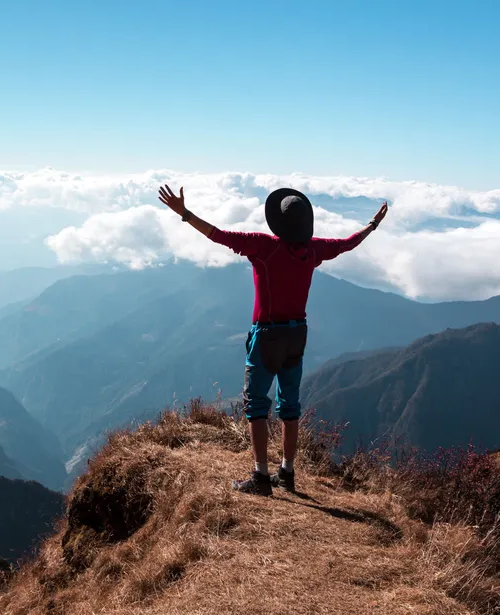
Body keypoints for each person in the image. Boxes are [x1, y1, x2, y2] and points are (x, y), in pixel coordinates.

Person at [157, 185, 388, 496]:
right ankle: (287, 472)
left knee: (255, 404)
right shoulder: (314, 249)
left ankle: (261, 477)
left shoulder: (263, 247)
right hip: (298, 334)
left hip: (268, 335)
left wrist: (184, 214)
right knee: (289, 405)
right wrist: (372, 225)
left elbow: (217, 235)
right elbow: (348, 244)